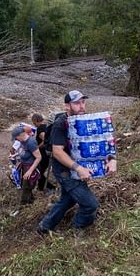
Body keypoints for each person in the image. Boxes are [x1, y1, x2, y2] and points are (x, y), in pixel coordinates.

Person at [37, 90, 116, 236]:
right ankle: (78, 229)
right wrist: (78, 168)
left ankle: (45, 226)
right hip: (65, 171)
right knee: (90, 204)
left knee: (68, 199)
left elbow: (102, 139)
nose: (81, 106)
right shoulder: (60, 125)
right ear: (67, 106)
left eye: (83, 102)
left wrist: (111, 159)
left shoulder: (83, 120)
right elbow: (57, 152)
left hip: (77, 167)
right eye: (76, 103)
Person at [11, 125, 42, 205]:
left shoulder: (31, 143)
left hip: (31, 167)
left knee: (26, 187)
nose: (16, 140)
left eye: (16, 138)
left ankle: (23, 205)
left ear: (21, 135)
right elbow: (24, 151)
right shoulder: (22, 142)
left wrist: (30, 171)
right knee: (24, 185)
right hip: (24, 166)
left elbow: (38, 157)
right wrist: (15, 155)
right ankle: (31, 201)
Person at [31, 113, 57, 194]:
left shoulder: (40, 129)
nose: (34, 124)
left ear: (36, 121)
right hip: (45, 154)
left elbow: (45, 140)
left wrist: (37, 147)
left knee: (39, 172)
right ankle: (41, 187)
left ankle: (50, 187)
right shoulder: (45, 126)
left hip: (43, 155)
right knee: (39, 172)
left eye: (34, 122)